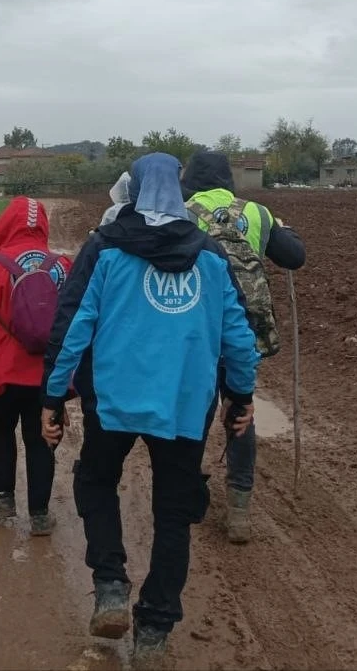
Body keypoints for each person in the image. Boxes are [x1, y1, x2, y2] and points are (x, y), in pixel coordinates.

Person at [42, 152, 259, 667]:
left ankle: (111, 586)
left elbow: (72, 327)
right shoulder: (210, 256)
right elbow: (237, 335)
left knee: (96, 481)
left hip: (113, 401)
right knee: (173, 514)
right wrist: (241, 395)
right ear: (179, 193)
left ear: (134, 190)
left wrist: (52, 397)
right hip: (185, 405)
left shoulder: (105, 248)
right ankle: (155, 629)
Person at [180, 151, 306, 543]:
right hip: (243, 331)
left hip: (198, 332)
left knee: (195, 411)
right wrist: (283, 229)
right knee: (240, 408)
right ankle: (239, 510)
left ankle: (188, 495)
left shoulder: (182, 213)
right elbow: (294, 257)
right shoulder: (257, 213)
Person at [0, 197, 72, 536]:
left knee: (0, 430)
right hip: (48, 373)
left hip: (2, 368)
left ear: (6, 223)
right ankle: (40, 515)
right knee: (41, 438)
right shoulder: (63, 265)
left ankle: (3, 497)